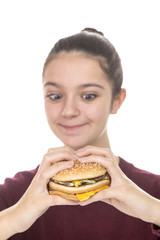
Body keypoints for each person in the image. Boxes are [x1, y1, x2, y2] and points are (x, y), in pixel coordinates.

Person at [0, 28, 160, 240]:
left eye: (88, 95)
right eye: (55, 95)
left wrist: (153, 210)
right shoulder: (14, 196)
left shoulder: (152, 192)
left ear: (116, 100)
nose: (68, 111)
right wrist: (13, 218)